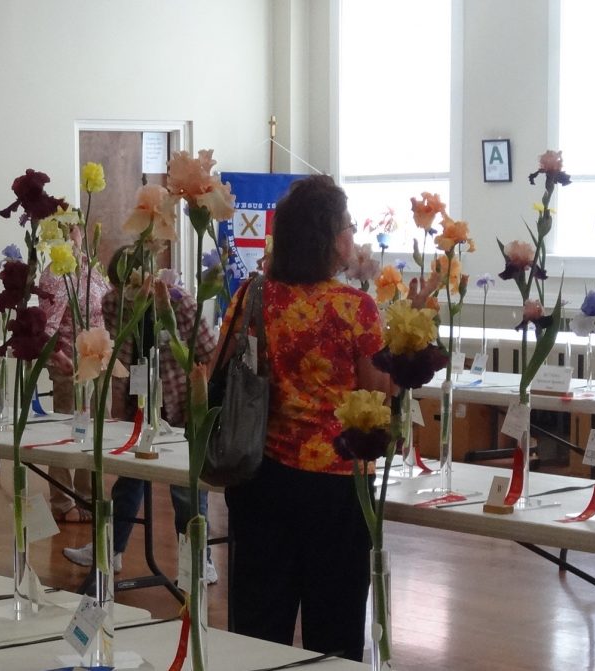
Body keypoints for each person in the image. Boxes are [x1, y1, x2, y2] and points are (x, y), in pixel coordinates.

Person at [222, 175, 391, 661]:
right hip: (336, 486)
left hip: (261, 476)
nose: (353, 235)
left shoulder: (254, 295)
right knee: (334, 632)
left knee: (258, 627)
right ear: (331, 238)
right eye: (348, 227)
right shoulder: (355, 308)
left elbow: (221, 369)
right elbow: (377, 393)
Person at [63, 247, 218, 583]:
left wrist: (199, 399)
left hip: (181, 403)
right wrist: (119, 406)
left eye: (134, 285)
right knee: (129, 479)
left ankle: (198, 560)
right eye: (122, 286)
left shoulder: (180, 302)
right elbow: (118, 351)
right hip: (139, 404)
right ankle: (110, 550)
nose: (128, 294)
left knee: (186, 490)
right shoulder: (113, 303)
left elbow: (208, 352)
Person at [38, 227, 107, 523]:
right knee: (66, 432)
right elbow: (47, 326)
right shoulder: (56, 273)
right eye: (69, 230)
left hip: (97, 363)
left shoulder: (90, 268)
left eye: (77, 228)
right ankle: (62, 501)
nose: (76, 233)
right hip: (70, 365)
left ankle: (87, 496)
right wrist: (60, 357)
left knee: (92, 433)